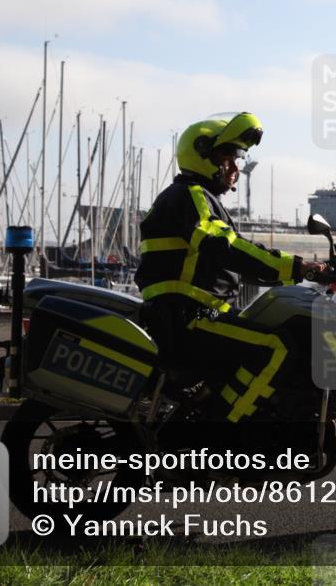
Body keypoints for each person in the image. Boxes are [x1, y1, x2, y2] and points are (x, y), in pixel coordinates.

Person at [135, 112, 325, 422]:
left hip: (192, 313)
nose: (236, 167)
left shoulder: (196, 197)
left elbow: (229, 260)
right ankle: (219, 434)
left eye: (239, 158)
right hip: (186, 316)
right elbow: (225, 247)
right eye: (229, 157)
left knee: (273, 329)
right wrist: (299, 268)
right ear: (203, 154)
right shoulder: (192, 196)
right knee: (277, 347)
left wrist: (290, 273)